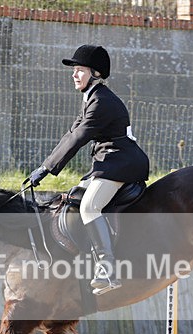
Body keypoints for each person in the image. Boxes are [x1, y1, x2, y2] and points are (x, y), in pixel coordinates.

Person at [27, 45, 150, 295]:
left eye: (79, 70)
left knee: (89, 206)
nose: (74, 75)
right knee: (76, 196)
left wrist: (47, 169)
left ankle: (107, 269)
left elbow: (81, 136)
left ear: (95, 73)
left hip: (120, 162)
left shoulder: (101, 102)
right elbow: (71, 133)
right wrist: (45, 166)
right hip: (109, 160)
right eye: (74, 71)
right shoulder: (91, 97)